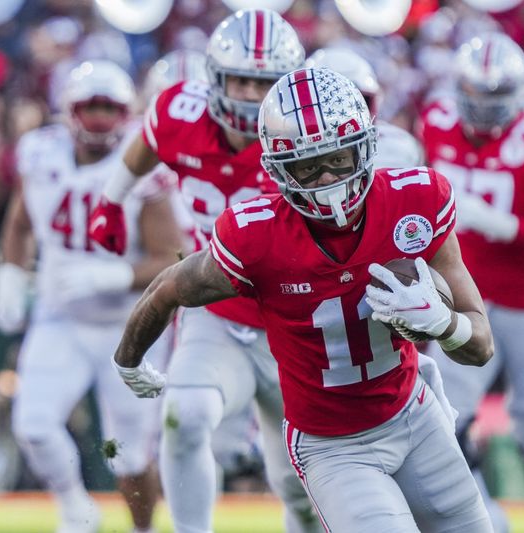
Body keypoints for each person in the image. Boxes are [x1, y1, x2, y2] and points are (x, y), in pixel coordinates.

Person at [113, 66, 496, 532]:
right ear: (278, 169)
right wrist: (127, 359)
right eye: (308, 166)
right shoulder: (256, 237)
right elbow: (169, 287)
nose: (328, 178)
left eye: (338, 158)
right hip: (334, 446)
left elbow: (481, 345)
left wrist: (443, 323)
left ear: (364, 147)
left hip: (415, 416)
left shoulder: (415, 201)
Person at [87, 10, 319, 533]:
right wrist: (111, 200)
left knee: (298, 483)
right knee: (184, 416)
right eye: (240, 80)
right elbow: (146, 146)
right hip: (217, 311)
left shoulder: (310, 137)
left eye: (264, 83)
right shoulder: (180, 113)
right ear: (214, 77)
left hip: (297, 321)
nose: (250, 96)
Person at [0, 60, 181, 533]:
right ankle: (76, 510)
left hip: (131, 326)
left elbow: (173, 257)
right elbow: (20, 221)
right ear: (68, 110)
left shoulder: (143, 163)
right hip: (60, 317)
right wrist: (12, 270)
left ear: (126, 112)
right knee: (34, 426)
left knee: (130, 455)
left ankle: (142, 528)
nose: (99, 118)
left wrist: (113, 275)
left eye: (109, 108)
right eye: (90, 106)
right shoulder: (40, 153)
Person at [418, 33, 524, 533]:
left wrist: (501, 225)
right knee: (445, 417)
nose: (485, 106)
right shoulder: (436, 123)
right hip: (464, 294)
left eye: (497, 95)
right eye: (476, 92)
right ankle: (487, 517)